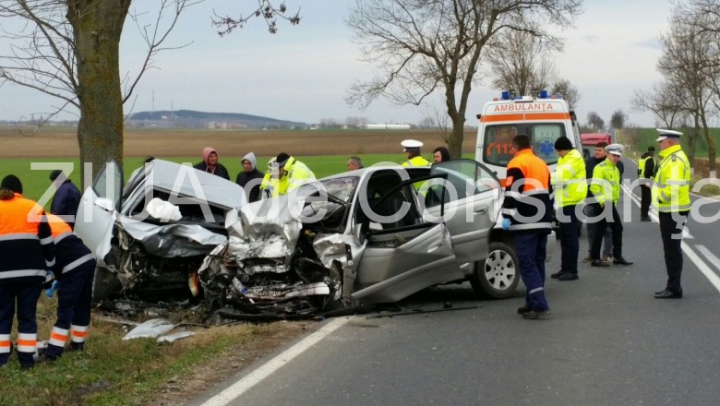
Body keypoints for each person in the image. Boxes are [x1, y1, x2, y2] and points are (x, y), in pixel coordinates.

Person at [0, 175, 55, 369]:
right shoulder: (33, 207)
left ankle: (2, 360)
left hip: (2, 276)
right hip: (32, 274)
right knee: (27, 316)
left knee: (2, 315)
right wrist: (50, 267)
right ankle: (26, 360)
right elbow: (47, 243)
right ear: (19, 192)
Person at [501, 135, 553, 319]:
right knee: (537, 262)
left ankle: (539, 305)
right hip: (543, 220)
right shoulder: (541, 163)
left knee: (526, 263)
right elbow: (550, 193)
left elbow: (513, 193)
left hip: (526, 222)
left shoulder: (516, 163)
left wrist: (507, 216)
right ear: (530, 146)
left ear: (514, 148)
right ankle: (531, 302)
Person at [43, 214, 96, 360]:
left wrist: (46, 281)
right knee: (82, 304)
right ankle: (77, 344)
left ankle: (54, 352)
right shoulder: (51, 218)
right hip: (88, 259)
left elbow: (43, 258)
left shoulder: (32, 227)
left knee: (65, 307)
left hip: (72, 266)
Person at [653, 129, 691, 299]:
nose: (659, 144)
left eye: (661, 141)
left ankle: (674, 288)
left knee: (672, 250)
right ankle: (673, 285)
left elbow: (673, 187)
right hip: (671, 209)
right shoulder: (671, 157)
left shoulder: (675, 160)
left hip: (672, 210)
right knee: (671, 249)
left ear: (669, 142)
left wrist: (661, 198)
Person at [588, 144, 633, 267]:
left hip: (610, 203)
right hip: (604, 204)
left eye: (618, 156)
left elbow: (615, 187)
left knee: (601, 230)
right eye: (614, 155)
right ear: (607, 154)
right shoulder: (600, 168)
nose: (616, 158)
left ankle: (597, 257)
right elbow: (594, 187)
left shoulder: (615, 168)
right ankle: (614, 256)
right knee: (617, 228)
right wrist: (602, 201)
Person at [550, 137, 587, 281]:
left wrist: (543, 177)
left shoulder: (574, 158)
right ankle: (565, 268)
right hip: (564, 203)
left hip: (573, 202)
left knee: (571, 238)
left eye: (559, 151)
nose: (558, 154)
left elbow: (561, 177)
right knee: (564, 238)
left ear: (563, 149)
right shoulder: (564, 159)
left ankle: (572, 270)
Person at [582, 142, 614, 263]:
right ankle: (592, 252)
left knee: (607, 230)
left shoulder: (610, 164)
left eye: (599, 150)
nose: (596, 152)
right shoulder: (589, 162)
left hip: (605, 201)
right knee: (591, 229)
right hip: (590, 200)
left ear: (606, 152)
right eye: (595, 150)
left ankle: (607, 253)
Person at [638, 146, 657, 221]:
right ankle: (644, 215)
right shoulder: (649, 159)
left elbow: (639, 170)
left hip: (641, 180)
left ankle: (643, 214)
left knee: (644, 198)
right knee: (647, 199)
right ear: (653, 152)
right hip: (646, 181)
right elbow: (648, 171)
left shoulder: (642, 158)